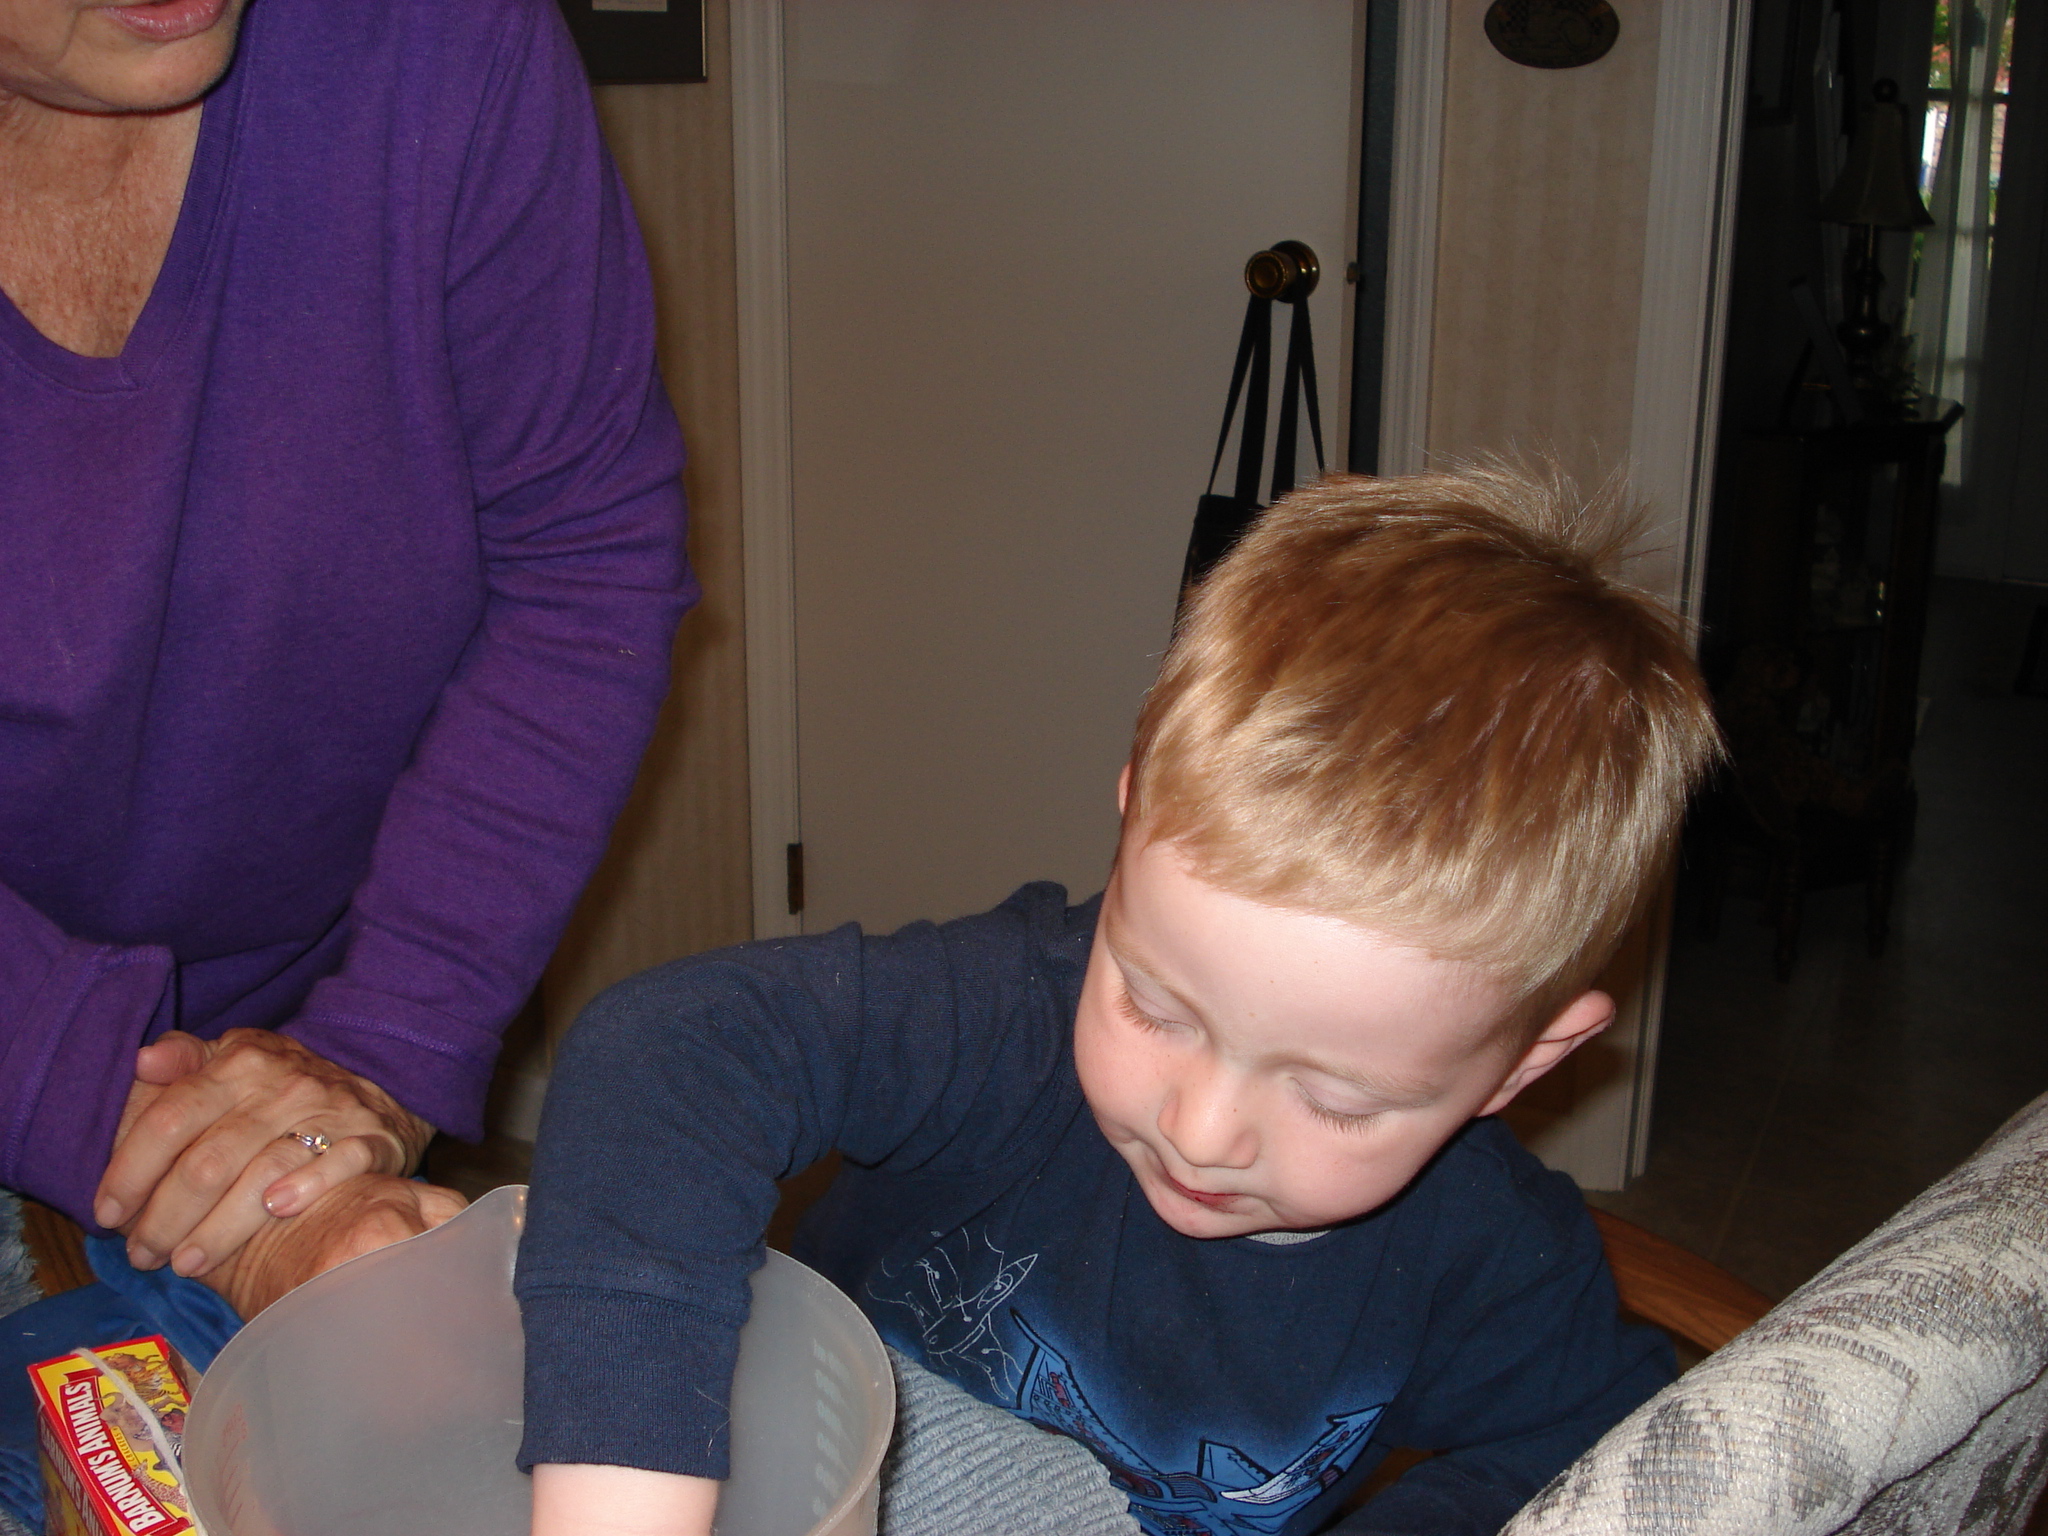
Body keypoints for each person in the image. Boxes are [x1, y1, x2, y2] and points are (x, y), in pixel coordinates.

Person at [513, 466, 1724, 1536]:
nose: (1200, 1130)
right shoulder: (1000, 1016)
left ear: (1524, 1064)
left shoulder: (1495, 1263)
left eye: (1336, 1099)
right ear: (1133, 811)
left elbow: (1589, 1438)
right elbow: (668, 1057)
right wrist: (623, 1492)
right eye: (1154, 1007)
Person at [0, 0, 690, 1518]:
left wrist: (372, 1059)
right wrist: (212, 1175)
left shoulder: (441, 42)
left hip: (284, 1074)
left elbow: (582, 563)